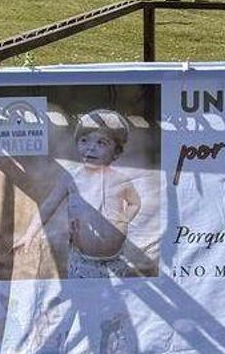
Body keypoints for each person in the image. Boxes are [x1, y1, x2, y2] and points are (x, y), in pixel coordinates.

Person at [15, 108, 144, 279]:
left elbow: (135, 202)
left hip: (115, 261)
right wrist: (29, 234)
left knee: (114, 302)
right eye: (84, 140)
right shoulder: (70, 177)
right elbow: (48, 205)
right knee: (83, 299)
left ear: (117, 152)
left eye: (101, 143)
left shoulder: (120, 180)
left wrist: (124, 219)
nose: (91, 148)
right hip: (82, 261)